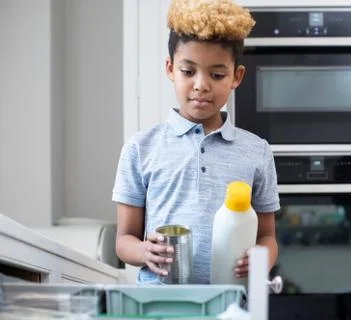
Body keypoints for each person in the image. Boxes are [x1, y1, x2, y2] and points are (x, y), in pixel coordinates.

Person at [112, 0, 280, 284]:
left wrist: (261, 256)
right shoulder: (141, 148)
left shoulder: (257, 151)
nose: (201, 85)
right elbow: (124, 240)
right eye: (188, 72)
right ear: (170, 69)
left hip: (230, 303)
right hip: (161, 304)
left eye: (216, 75)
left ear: (236, 76)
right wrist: (144, 251)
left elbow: (268, 237)